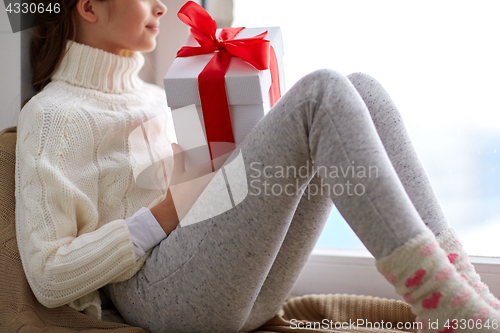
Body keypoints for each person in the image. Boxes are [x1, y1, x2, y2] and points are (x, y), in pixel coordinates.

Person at [16, 0, 500, 332]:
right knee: (323, 91)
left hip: (232, 286)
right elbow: (48, 275)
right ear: (89, 6)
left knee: (361, 88)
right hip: (153, 298)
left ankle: (463, 288)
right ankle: (441, 302)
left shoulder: (155, 96)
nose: (161, 7)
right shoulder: (55, 115)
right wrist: (166, 210)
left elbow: (201, 201)